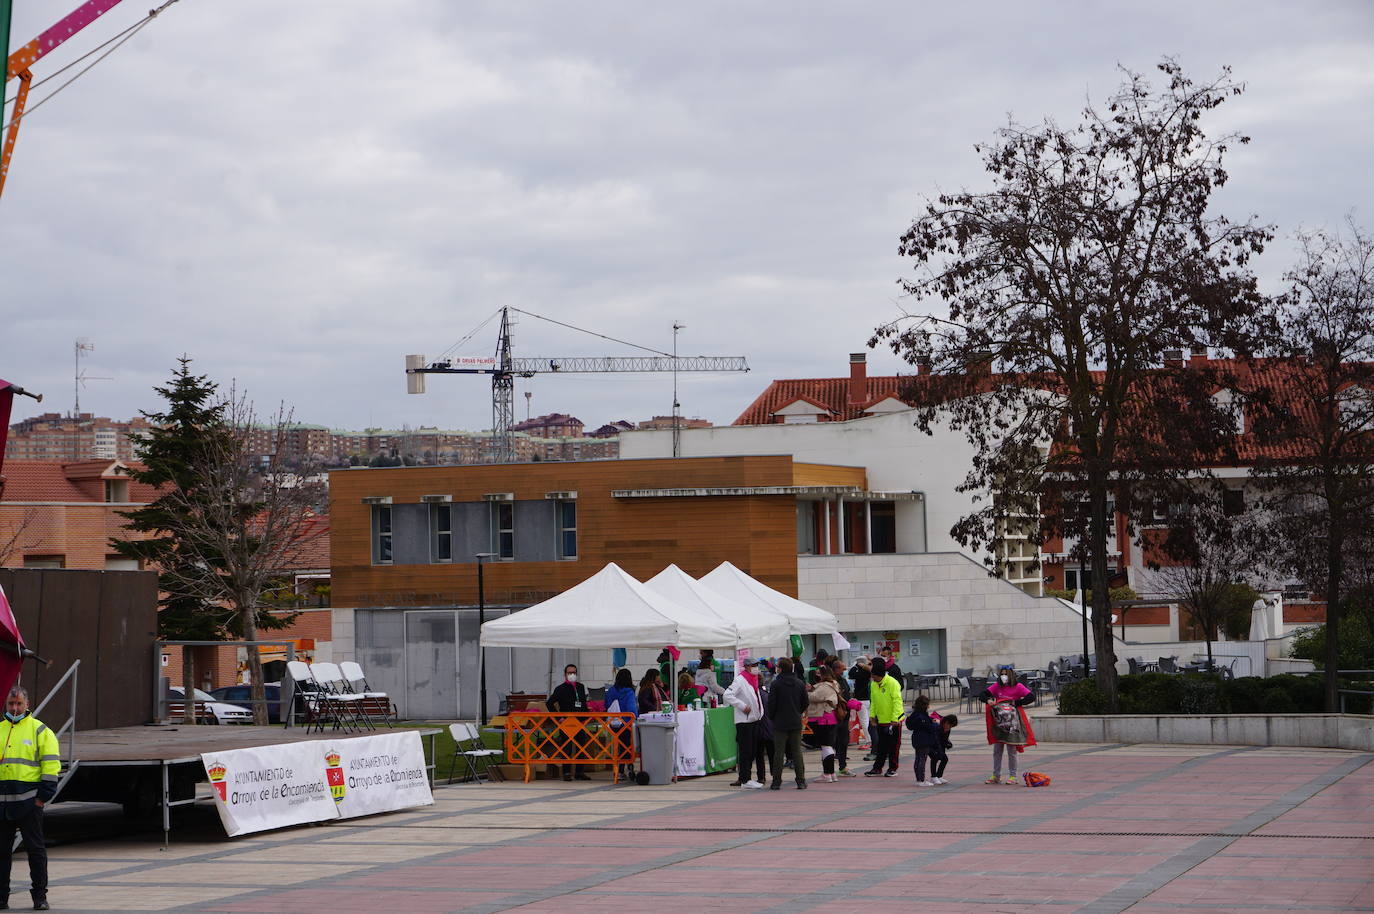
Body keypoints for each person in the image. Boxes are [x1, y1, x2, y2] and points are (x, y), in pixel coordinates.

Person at [0, 686, 58, 911]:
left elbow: (51, 765)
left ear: (27, 704)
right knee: (2, 853)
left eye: (19, 704)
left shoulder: (40, 730)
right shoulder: (1, 730)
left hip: (29, 803)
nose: (14, 709)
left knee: (35, 851)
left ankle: (40, 897)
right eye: (11, 704)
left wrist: (42, 798)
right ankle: (1, 897)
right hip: (3, 804)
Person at [979, 665, 1037, 785]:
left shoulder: (1018, 687)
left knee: (1011, 750)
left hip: (1012, 723)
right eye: (1002, 674)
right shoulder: (997, 686)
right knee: (997, 750)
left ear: (1010, 674)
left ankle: (1013, 776)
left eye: (1005, 674)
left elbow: (1031, 697)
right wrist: (988, 700)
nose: (1003, 676)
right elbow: (982, 695)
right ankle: (996, 775)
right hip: (999, 723)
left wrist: (1017, 702)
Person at [765, 657, 808, 790]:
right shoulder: (800, 683)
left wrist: (773, 717)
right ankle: (800, 781)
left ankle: (776, 781)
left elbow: (771, 704)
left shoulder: (776, 684)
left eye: (777, 666)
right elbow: (805, 702)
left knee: (779, 752)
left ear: (781, 668)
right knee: (797, 752)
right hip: (795, 721)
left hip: (779, 722)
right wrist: (797, 712)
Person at [723, 658, 765, 788]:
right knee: (746, 750)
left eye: (757, 665)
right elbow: (727, 695)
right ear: (747, 667)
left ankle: (745, 777)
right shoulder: (740, 680)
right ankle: (745, 779)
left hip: (754, 719)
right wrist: (742, 706)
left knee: (751, 750)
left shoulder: (753, 679)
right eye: (754, 665)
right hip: (744, 720)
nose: (756, 668)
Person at [545, 663, 591, 781]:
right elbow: (549, 703)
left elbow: (583, 703)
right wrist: (558, 718)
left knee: (581, 747)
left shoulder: (580, 687)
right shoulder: (560, 689)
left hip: (579, 721)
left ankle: (579, 772)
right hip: (566, 722)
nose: (572, 675)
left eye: (574, 673)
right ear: (565, 674)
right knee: (566, 748)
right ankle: (566, 772)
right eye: (569, 673)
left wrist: (586, 716)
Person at [864, 657, 904, 777]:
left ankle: (892, 768)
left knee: (894, 746)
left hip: (894, 721)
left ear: (879, 675)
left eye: (874, 676)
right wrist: (872, 716)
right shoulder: (874, 685)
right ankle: (877, 768)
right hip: (881, 720)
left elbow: (897, 702)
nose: (872, 678)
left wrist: (894, 719)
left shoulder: (892, 683)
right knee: (881, 746)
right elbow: (874, 702)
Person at [805, 666, 842, 782]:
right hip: (829, 718)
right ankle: (831, 773)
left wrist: (807, 692)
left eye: (818, 673)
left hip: (823, 718)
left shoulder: (825, 686)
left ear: (824, 675)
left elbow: (815, 697)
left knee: (826, 746)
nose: (816, 676)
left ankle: (827, 773)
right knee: (828, 746)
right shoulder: (833, 684)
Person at [603, 669, 639, 781]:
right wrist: (636, 717)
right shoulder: (629, 692)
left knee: (618, 747)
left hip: (613, 723)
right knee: (628, 746)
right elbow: (631, 708)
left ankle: (619, 770)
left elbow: (606, 704)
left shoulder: (611, 691)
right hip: (626, 723)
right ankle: (628, 768)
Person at [904, 694, 940, 787]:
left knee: (918, 759)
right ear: (924, 705)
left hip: (917, 739)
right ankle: (921, 779)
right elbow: (928, 727)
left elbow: (910, 725)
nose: (929, 706)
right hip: (924, 740)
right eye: (927, 704)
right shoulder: (921, 717)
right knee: (922, 760)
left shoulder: (914, 715)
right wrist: (935, 724)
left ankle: (919, 779)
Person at [829, 659, 856, 777]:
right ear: (835, 669)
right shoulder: (831, 682)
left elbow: (847, 694)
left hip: (844, 715)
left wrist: (851, 702)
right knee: (832, 742)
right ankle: (828, 769)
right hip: (834, 716)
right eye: (842, 669)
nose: (844, 671)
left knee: (844, 741)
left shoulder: (843, 680)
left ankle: (843, 766)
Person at [848, 656, 872, 752]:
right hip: (868, 700)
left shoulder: (861, 672)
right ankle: (872, 740)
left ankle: (868, 741)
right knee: (868, 721)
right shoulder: (868, 671)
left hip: (861, 700)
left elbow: (851, 673)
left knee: (864, 721)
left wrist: (855, 665)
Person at [931, 713, 958, 785]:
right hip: (931, 744)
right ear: (946, 722)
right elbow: (936, 740)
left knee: (944, 759)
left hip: (939, 745)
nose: (949, 728)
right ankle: (933, 777)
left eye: (951, 727)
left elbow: (944, 740)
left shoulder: (947, 729)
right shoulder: (937, 726)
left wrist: (948, 744)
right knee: (935, 758)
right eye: (950, 725)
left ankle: (939, 776)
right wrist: (939, 751)